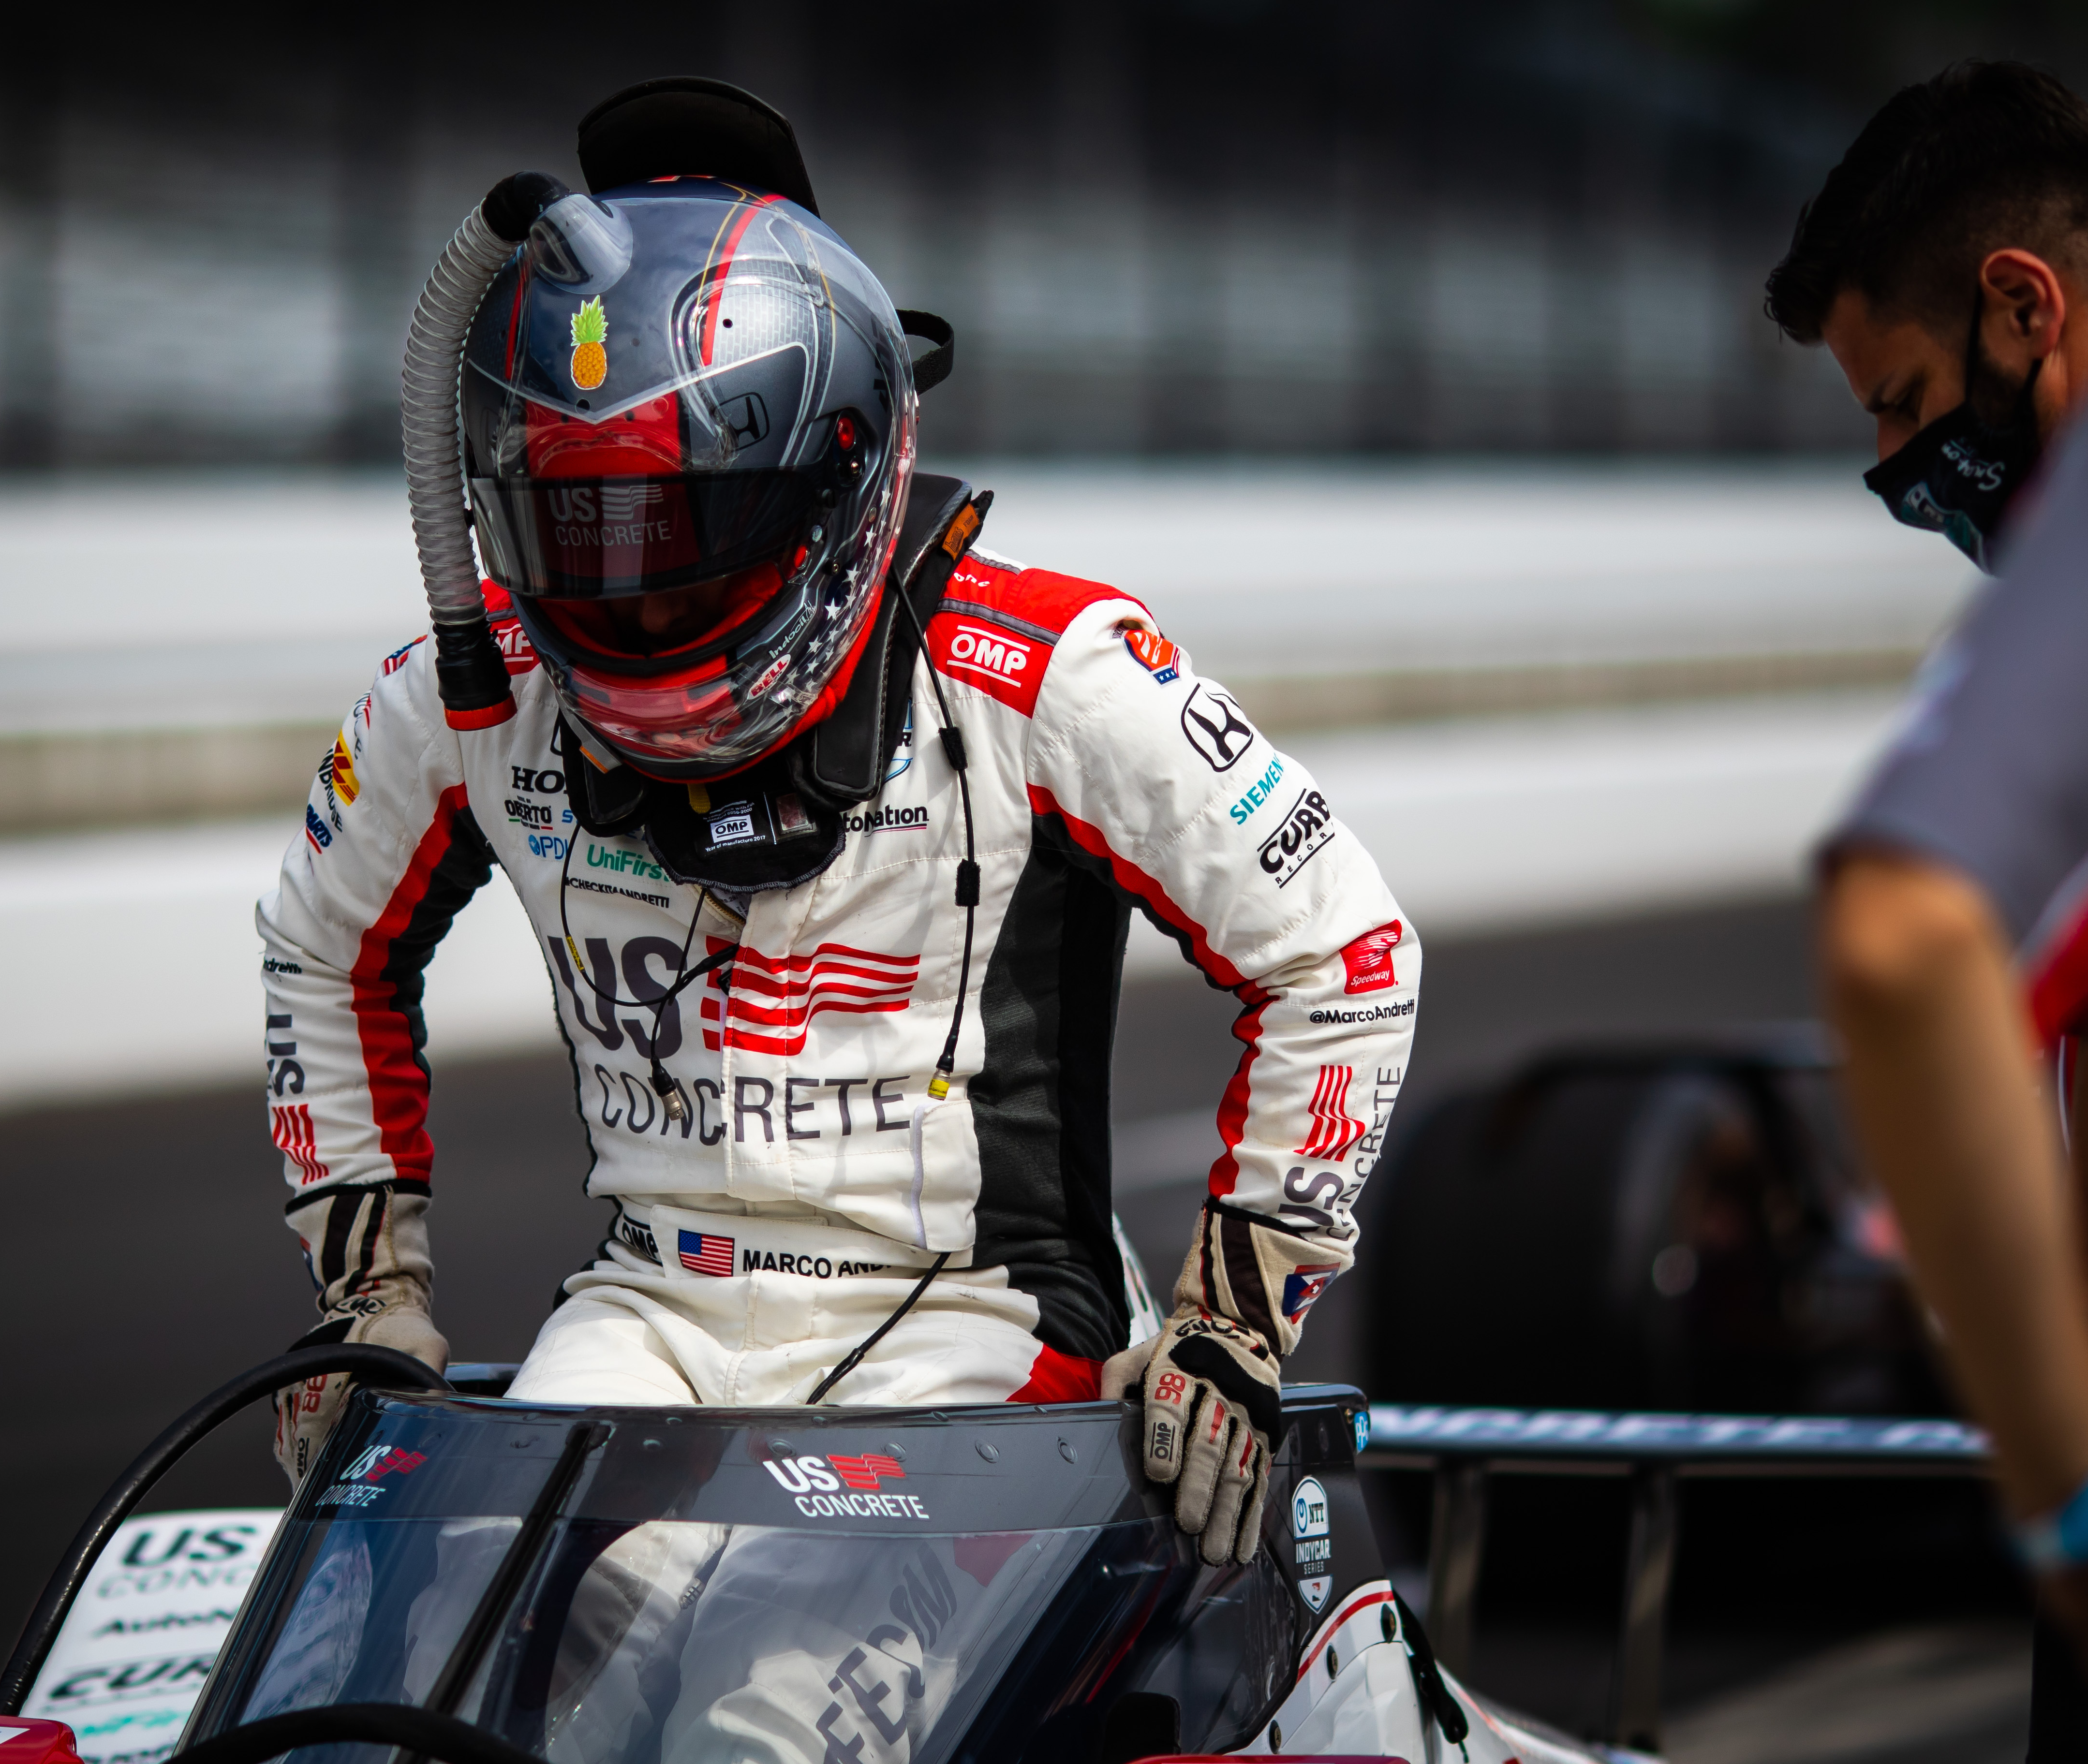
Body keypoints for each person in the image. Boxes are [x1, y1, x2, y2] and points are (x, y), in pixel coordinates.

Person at [248, 76, 1416, 1744]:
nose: (634, 580)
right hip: (651, 1310)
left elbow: (1347, 947)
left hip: (973, 1341)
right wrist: (368, 1294)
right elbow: (319, 938)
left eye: (684, 522)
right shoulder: (477, 682)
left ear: (834, 471)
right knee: (424, 1695)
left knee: (761, 1728)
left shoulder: (1042, 671)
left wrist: (1238, 1314)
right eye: (581, 524)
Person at [1765, 59, 2088, 1734]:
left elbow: (1902, 939)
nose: (1891, 465)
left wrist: (2066, 1479)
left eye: (1902, 399)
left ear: (2026, 306)